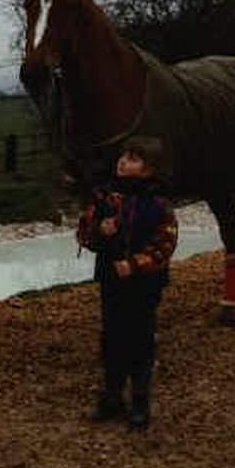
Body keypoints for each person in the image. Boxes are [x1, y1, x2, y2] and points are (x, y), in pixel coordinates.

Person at [77, 136, 178, 430]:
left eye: (133, 158)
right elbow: (84, 233)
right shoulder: (104, 197)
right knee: (112, 336)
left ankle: (140, 401)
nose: (123, 161)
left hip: (145, 284)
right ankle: (112, 396)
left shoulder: (159, 204)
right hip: (111, 281)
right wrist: (99, 231)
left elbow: (166, 243)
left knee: (140, 338)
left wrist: (134, 264)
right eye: (123, 156)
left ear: (148, 170)